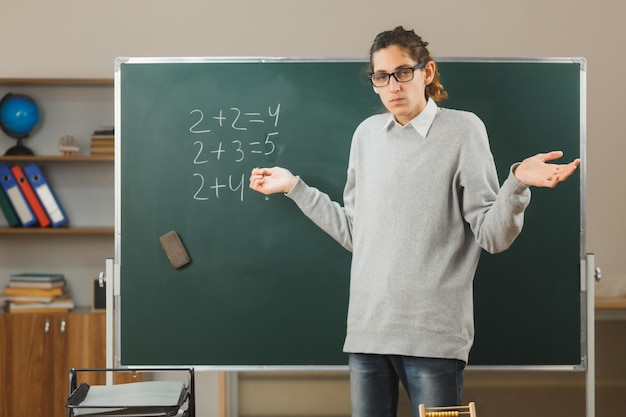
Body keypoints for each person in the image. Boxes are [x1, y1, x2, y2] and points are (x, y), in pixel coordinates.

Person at [249, 26, 580, 417]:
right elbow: (358, 234)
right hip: (368, 333)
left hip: (434, 338)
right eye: (381, 76)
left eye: (403, 72)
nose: (393, 85)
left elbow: (492, 236)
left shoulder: (463, 130)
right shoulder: (366, 136)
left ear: (427, 72)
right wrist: (294, 187)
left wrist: (516, 184)